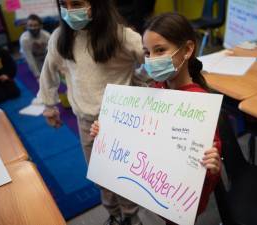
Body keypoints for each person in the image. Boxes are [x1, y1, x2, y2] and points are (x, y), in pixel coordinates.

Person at [90, 12, 222, 225]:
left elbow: (208, 170)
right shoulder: (155, 89)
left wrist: (213, 165)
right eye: (147, 53)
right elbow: (140, 134)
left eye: (159, 50)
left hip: (180, 202)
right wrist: (106, 132)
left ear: (187, 50)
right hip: (156, 190)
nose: (151, 60)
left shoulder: (200, 105)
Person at [38, 0, 147, 225]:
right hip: (86, 121)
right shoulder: (60, 38)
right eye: (64, 5)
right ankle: (114, 214)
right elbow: (48, 71)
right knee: (100, 175)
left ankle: (131, 216)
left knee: (124, 174)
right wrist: (49, 105)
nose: (70, 11)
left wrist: (140, 81)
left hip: (122, 121)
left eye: (76, 3)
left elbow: (152, 59)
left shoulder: (122, 36)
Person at [19, 14, 51, 80]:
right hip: (30, 55)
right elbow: (29, 58)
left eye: (35, 25)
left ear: (40, 26)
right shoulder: (24, 39)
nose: (33, 28)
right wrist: (37, 75)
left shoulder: (47, 35)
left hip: (43, 54)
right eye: (30, 26)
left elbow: (51, 53)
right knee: (39, 74)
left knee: (49, 71)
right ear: (27, 26)